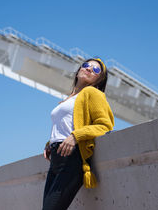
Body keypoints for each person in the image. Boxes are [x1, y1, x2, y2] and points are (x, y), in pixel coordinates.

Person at [42, 57, 114, 210]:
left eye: (95, 69)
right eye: (86, 65)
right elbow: (65, 125)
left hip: (72, 158)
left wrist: (76, 136)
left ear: (99, 80)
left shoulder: (92, 93)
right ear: (78, 70)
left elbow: (105, 125)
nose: (88, 69)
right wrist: (50, 144)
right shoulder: (69, 99)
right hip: (56, 158)